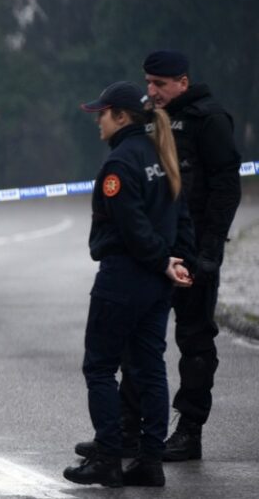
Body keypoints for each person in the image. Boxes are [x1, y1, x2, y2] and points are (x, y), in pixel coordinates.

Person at [64, 81, 194, 488]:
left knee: (100, 367)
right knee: (150, 368)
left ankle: (107, 457)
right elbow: (180, 217)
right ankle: (149, 462)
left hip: (124, 277)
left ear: (120, 116)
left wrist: (159, 259)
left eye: (101, 114)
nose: (98, 121)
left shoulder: (120, 164)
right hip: (158, 283)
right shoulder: (161, 154)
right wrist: (177, 262)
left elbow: (132, 226)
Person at [142, 50, 242, 461]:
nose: (152, 91)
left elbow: (225, 189)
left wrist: (210, 252)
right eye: (148, 83)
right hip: (152, 250)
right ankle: (133, 429)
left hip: (194, 249)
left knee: (195, 341)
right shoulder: (146, 117)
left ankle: (189, 430)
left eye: (160, 84)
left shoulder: (209, 119)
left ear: (182, 81)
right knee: (139, 341)